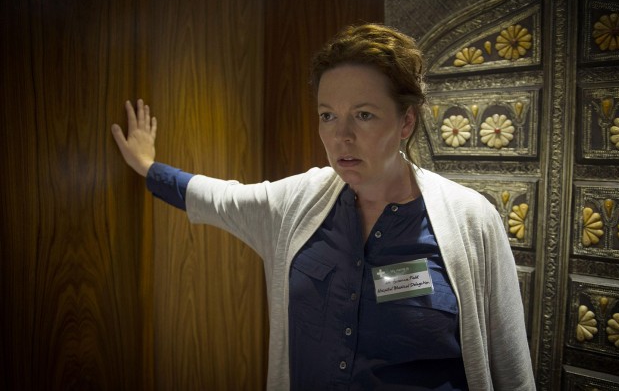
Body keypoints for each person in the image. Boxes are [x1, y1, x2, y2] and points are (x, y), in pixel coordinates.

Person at [111, 24, 535, 390]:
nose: (341, 136)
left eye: (364, 115)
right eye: (328, 115)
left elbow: (511, 368)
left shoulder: (471, 220)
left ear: (406, 121)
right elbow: (219, 198)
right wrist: (148, 167)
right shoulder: (297, 203)